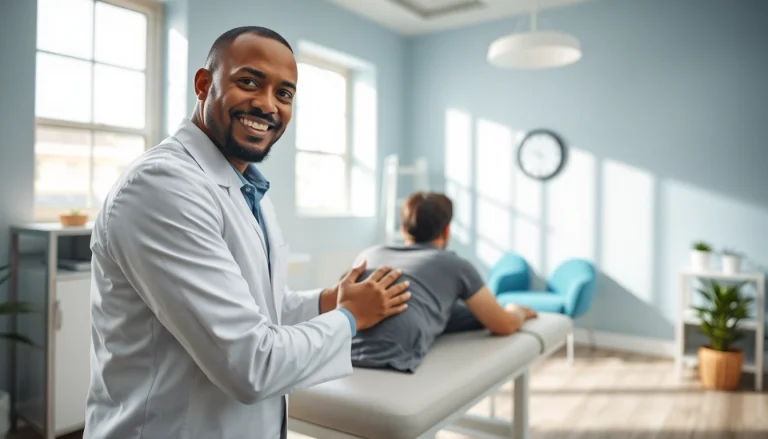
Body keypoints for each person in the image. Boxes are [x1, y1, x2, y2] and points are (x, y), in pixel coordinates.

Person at [84, 26, 411, 439]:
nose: (267, 105)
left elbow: (259, 306)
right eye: (249, 82)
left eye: (284, 94)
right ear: (204, 85)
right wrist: (350, 318)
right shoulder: (162, 188)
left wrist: (329, 300)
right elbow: (251, 364)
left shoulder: (247, 188)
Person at [348, 192, 538, 373]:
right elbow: (503, 325)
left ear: (403, 228)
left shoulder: (368, 255)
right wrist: (516, 311)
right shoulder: (455, 265)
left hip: (337, 354)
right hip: (389, 363)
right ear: (446, 230)